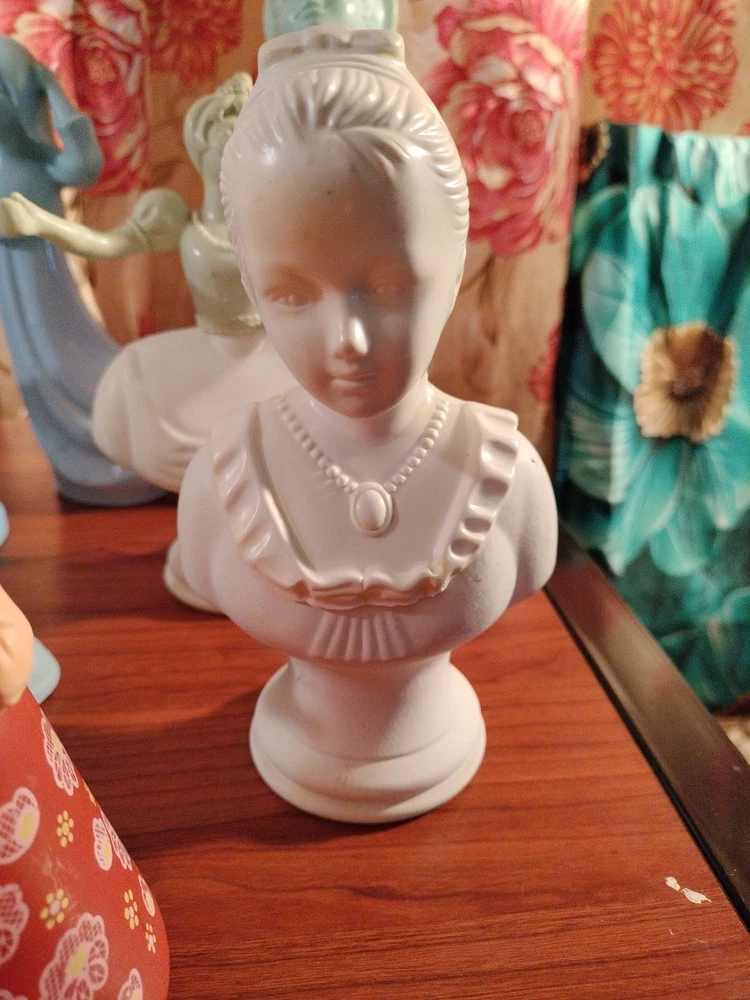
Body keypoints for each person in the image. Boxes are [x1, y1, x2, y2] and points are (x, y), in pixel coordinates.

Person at [177, 27, 557, 822]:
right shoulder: (220, 484)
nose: (346, 341)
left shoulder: (511, 485)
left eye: (387, 288)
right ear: (248, 280)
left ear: (454, 265)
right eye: (291, 294)